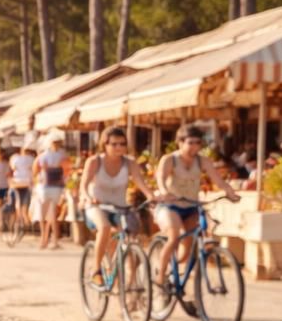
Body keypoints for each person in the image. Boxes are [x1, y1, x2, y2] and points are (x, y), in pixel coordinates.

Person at [154, 125, 240, 293]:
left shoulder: (203, 161)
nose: (194, 146)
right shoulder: (170, 159)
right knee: (173, 236)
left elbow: (218, 180)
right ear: (180, 143)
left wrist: (229, 192)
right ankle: (160, 276)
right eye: (190, 142)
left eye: (198, 143)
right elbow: (161, 178)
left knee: (188, 249)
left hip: (192, 206)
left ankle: (174, 269)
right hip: (171, 205)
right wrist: (165, 192)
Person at [79, 126, 155, 286]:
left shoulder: (130, 162)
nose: (119, 147)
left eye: (122, 144)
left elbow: (140, 182)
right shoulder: (94, 161)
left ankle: (131, 286)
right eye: (114, 144)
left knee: (130, 241)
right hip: (97, 206)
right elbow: (83, 185)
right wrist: (87, 197)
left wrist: (150, 196)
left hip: (121, 208)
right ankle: (96, 270)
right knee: (105, 228)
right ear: (105, 145)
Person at [35, 131, 69, 250]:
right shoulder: (62, 155)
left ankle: (43, 240)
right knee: (52, 215)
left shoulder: (43, 156)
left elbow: (37, 171)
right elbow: (66, 171)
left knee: (43, 215)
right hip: (57, 187)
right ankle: (53, 240)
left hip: (44, 186)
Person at [10, 145, 35, 226]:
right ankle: (23, 221)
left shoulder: (15, 158)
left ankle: (19, 221)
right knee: (24, 203)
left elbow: (13, 168)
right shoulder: (31, 159)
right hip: (26, 183)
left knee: (19, 203)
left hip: (18, 183)